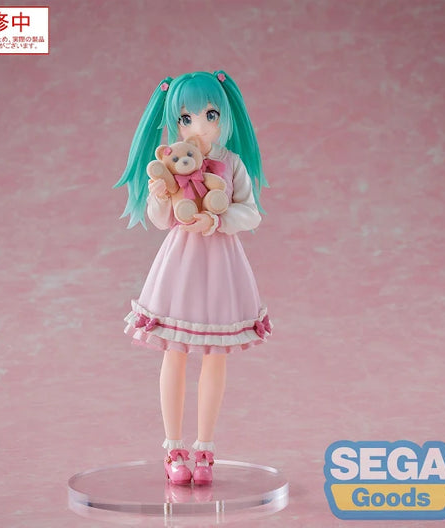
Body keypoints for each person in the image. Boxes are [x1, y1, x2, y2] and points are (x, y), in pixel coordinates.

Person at [116, 70, 271, 485]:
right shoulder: (171, 161)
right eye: (186, 118)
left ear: (225, 117)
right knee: (175, 351)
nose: (199, 126)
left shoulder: (231, 163)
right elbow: (161, 219)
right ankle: (174, 448)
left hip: (221, 264)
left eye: (210, 115)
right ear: (174, 122)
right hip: (181, 263)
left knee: (215, 356)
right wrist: (160, 195)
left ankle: (205, 448)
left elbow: (251, 212)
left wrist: (217, 219)